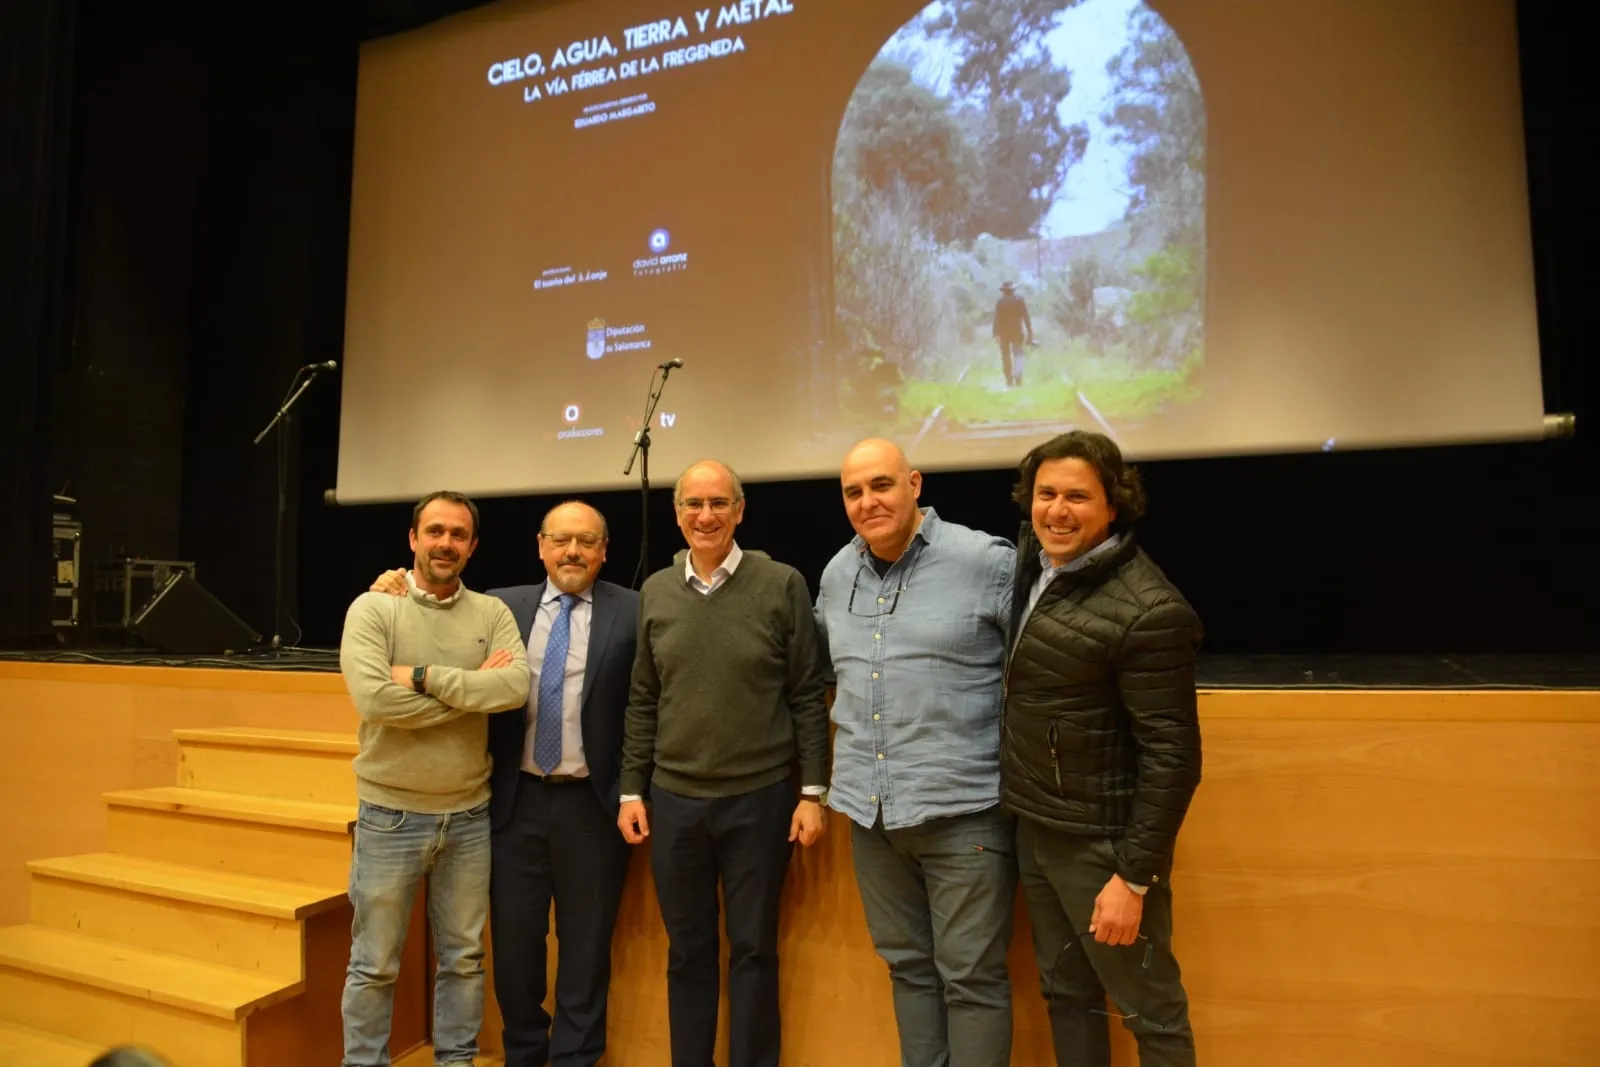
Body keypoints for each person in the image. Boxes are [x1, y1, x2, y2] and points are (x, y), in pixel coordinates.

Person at [368, 500, 637, 1067]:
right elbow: (429, 610)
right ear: (539, 545)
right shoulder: (497, 609)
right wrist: (390, 588)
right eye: (560, 540)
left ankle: (575, 1059)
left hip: (593, 805)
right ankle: (523, 1055)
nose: (572, 551)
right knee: (515, 949)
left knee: (586, 949)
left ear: (604, 551)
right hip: (513, 803)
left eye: (586, 541)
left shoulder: (633, 610)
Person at [617, 459, 830, 1067]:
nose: (704, 516)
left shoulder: (782, 582)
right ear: (678, 513)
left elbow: (805, 693)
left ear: (740, 511)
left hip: (759, 800)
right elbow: (643, 698)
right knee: (686, 952)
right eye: (692, 504)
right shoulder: (656, 590)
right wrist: (632, 789)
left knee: (754, 949)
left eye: (718, 503)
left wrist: (812, 792)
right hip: (675, 802)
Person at [813, 438, 1018, 1067]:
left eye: (881, 485)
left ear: (915, 484)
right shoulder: (837, 573)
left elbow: (1039, 674)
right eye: (854, 491)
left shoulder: (986, 562)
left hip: (965, 813)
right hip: (871, 816)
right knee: (908, 970)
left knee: (972, 980)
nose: (868, 501)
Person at [1002, 431, 1203, 1067]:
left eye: (1077, 498)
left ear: (1113, 506)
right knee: (1068, 996)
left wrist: (1133, 878)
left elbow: (1174, 757)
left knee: (1153, 1013)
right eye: (1046, 494)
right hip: (1038, 832)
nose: (1057, 511)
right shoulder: (1035, 563)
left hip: (1104, 851)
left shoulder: (1150, 611)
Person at [338, 490, 530, 1067]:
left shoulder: (492, 614)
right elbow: (374, 699)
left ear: (472, 546)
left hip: (470, 816)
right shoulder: (374, 609)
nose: (446, 543)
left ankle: (456, 1062)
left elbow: (515, 688)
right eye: (435, 531)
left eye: (458, 534)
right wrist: (472, 691)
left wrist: (420, 676)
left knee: (465, 959)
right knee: (374, 963)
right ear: (413, 539)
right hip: (389, 814)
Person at [992, 280, 1034, 388]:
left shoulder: (1000, 302)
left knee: (1006, 356)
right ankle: (1018, 373)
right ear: (1013, 290)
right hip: (1017, 332)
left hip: (1004, 333)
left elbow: (996, 319)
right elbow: (1026, 317)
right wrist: (1029, 331)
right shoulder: (1019, 300)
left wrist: (995, 333)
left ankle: (1009, 378)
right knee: (1018, 354)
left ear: (1003, 291)